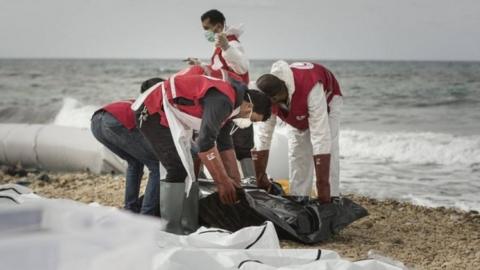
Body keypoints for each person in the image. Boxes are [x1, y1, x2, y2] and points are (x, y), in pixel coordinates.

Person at [131, 74, 271, 234]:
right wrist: (222, 181)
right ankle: (170, 230)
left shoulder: (232, 108)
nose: (248, 124)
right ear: (248, 107)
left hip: (171, 115)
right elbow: (205, 143)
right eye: (252, 119)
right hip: (151, 111)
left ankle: (189, 226)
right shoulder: (224, 102)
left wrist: (234, 180)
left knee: (192, 170)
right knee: (177, 169)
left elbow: (225, 144)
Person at [253, 61, 343, 203]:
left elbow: (320, 136)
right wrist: (260, 177)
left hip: (327, 100)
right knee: (298, 150)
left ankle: (331, 197)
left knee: (328, 145)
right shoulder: (268, 96)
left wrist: (322, 186)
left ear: (276, 98)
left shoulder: (312, 89)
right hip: (294, 102)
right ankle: (299, 196)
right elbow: (263, 136)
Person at [186, 9, 255, 179]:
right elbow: (219, 72)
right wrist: (201, 65)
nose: (205, 32)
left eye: (207, 28)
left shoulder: (232, 44)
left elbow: (242, 67)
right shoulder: (219, 46)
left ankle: (243, 182)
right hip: (226, 99)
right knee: (224, 138)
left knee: (236, 142)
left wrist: (226, 47)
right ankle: (233, 181)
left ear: (218, 26)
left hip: (232, 99)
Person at [90, 77, 164, 215]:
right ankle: (146, 215)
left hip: (96, 121)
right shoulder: (153, 104)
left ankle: (130, 209)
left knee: (134, 162)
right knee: (156, 165)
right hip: (116, 121)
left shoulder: (134, 101)